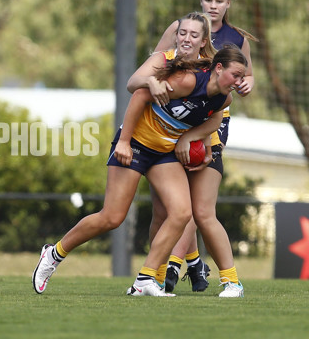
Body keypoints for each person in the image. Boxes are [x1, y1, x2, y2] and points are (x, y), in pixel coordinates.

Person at [33, 46, 247, 297]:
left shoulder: (224, 98)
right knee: (112, 217)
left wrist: (189, 137)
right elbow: (140, 96)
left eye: (242, 77)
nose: (239, 82)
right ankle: (54, 253)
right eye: (236, 75)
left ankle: (144, 280)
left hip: (164, 152)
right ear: (218, 68)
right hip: (135, 144)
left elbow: (214, 120)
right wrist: (123, 142)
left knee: (181, 213)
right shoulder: (188, 81)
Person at [151, 0, 257, 294]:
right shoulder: (184, 29)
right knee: (173, 206)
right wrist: (154, 81)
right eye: (208, 0)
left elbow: (245, 78)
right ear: (200, 1)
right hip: (175, 122)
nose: (213, 5)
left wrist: (248, 83)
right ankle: (192, 263)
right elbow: (154, 62)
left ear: (228, 4)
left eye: (219, 1)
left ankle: (175, 267)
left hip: (211, 123)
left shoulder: (236, 39)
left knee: (198, 207)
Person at [127, 11, 217, 292]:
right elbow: (134, 86)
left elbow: (214, 111)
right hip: (144, 143)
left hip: (177, 147)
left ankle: (160, 273)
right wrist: (149, 81)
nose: (186, 37)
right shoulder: (163, 61)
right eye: (182, 32)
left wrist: (207, 144)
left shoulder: (210, 71)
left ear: (204, 40)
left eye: (193, 34)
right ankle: (190, 263)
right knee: (116, 216)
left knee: (185, 211)